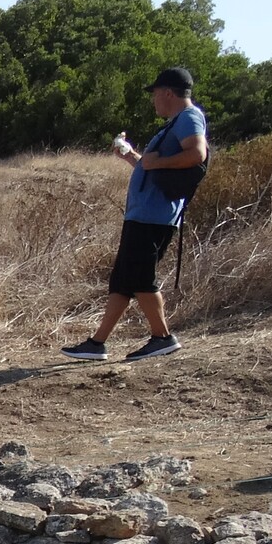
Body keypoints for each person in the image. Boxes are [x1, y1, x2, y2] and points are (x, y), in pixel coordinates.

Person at [61, 67, 210, 363]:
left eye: (155, 94)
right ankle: (97, 343)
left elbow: (197, 155)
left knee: (141, 278)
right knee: (122, 282)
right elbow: (153, 167)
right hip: (143, 215)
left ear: (168, 93)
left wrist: (156, 162)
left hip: (153, 218)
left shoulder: (189, 118)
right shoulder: (175, 123)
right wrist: (131, 157)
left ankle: (163, 337)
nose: (154, 100)